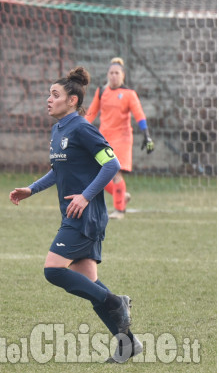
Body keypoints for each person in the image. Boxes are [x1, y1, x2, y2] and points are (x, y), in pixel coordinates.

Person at [9, 66, 142, 363]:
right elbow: (59, 170)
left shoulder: (82, 128)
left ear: (72, 100)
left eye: (55, 95)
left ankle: (116, 301)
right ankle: (128, 343)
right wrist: (31, 189)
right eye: (48, 94)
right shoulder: (58, 130)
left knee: (53, 270)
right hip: (74, 213)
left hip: (86, 215)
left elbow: (111, 164)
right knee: (91, 286)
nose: (48, 99)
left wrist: (85, 196)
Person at [84, 58, 154, 219]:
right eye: (111, 73)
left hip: (122, 138)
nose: (114, 76)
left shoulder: (129, 94)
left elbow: (139, 115)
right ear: (107, 74)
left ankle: (119, 210)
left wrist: (147, 136)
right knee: (95, 174)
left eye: (117, 73)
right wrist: (79, 128)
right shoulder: (102, 91)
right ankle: (121, 195)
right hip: (104, 138)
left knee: (115, 173)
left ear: (123, 75)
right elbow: (91, 113)